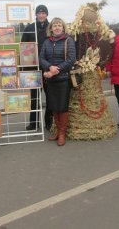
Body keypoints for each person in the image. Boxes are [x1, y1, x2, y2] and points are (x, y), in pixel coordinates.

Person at [39, 17, 76, 146]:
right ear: (51, 28)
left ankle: (62, 133)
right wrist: (49, 67)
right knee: (53, 106)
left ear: (63, 27)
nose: (57, 27)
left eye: (59, 25)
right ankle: (58, 131)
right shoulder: (46, 42)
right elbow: (41, 58)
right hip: (50, 80)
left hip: (63, 79)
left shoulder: (68, 40)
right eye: (54, 25)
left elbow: (71, 59)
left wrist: (56, 70)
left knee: (63, 107)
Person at [21, 4, 53, 131]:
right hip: (33, 68)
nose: (41, 15)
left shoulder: (51, 28)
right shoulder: (29, 28)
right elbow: (23, 47)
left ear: (46, 14)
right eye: (39, 13)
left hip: (48, 67)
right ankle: (34, 122)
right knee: (34, 96)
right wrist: (23, 67)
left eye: (43, 13)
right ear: (36, 15)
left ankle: (49, 122)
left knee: (50, 96)